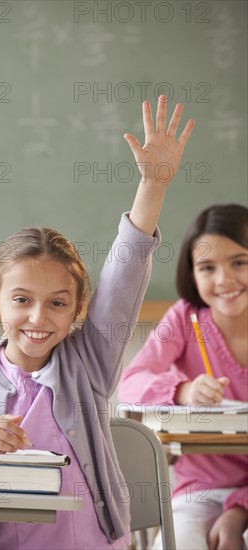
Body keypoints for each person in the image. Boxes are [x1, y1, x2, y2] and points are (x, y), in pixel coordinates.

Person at [0, 96, 194, 550]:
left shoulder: (89, 361)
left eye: (58, 303)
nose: (39, 318)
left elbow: (123, 278)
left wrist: (152, 188)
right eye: (21, 299)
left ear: (79, 307)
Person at [119, 203, 248, 550]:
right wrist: (183, 390)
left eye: (239, 262)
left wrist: (239, 509)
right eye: (207, 267)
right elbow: (131, 383)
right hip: (199, 491)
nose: (224, 280)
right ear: (192, 274)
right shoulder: (185, 318)